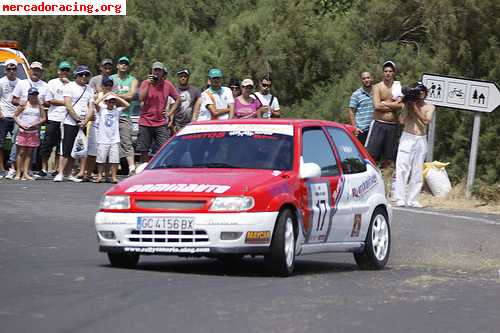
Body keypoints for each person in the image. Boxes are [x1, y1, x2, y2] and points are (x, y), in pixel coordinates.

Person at [393, 83, 435, 208]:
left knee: (417, 170)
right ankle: (400, 197)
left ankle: (413, 199)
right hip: (407, 136)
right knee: (402, 168)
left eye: (422, 91)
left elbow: (426, 121)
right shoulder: (408, 104)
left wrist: (415, 108)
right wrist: (407, 105)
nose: (420, 93)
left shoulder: (430, 106)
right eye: (418, 91)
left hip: (420, 139)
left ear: (425, 92)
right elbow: (401, 121)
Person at [365, 60, 403, 195]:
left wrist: (385, 103)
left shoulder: (397, 88)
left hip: (392, 127)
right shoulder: (377, 87)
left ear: (394, 73)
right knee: (371, 156)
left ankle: (386, 190)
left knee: (388, 159)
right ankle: (368, 186)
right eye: (386, 71)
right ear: (383, 73)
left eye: (390, 71)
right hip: (378, 125)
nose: (388, 73)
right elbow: (376, 106)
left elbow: (401, 106)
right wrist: (391, 104)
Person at [53, 65, 95, 182]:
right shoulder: (69, 86)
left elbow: (91, 107)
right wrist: (77, 120)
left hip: (83, 123)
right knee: (65, 148)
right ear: (76, 75)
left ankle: (68, 173)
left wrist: (85, 121)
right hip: (70, 122)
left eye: (86, 75)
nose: (84, 77)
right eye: (81, 74)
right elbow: (68, 105)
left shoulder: (90, 89)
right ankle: (60, 173)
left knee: (76, 149)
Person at [9, 61, 48, 179]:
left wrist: (42, 103)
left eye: (38, 70)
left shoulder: (45, 85)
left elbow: (47, 103)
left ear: (41, 72)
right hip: (22, 121)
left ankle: (27, 171)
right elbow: (14, 100)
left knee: (31, 150)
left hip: (35, 124)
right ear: (29, 70)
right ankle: (14, 169)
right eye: (34, 69)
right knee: (17, 148)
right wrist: (21, 103)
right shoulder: (22, 83)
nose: (35, 72)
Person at [137, 61, 180, 162]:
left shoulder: (167, 84)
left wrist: (170, 112)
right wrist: (148, 84)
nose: (156, 72)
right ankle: (144, 170)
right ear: (151, 71)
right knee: (144, 150)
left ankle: (159, 170)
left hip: (160, 122)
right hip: (145, 121)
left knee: (163, 149)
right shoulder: (145, 83)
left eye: (159, 70)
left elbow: (178, 99)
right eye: (155, 70)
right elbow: (141, 98)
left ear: (162, 72)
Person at [40, 61, 72, 177]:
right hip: (53, 118)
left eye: (67, 70)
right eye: (63, 70)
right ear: (58, 71)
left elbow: (75, 101)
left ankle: (57, 169)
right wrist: (66, 102)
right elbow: (50, 101)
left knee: (61, 146)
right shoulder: (52, 83)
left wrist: (66, 102)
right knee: (47, 144)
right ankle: (44, 168)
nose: (65, 72)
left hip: (67, 119)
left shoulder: (72, 84)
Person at [110, 56, 138, 174]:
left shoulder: (132, 80)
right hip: (111, 115)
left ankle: (132, 168)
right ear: (117, 65)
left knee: (127, 142)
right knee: (109, 143)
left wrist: (115, 96)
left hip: (124, 115)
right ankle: (109, 169)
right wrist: (122, 96)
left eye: (126, 64)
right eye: (121, 63)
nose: (123, 65)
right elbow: (106, 94)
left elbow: (131, 96)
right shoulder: (111, 78)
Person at [94, 92, 129, 183]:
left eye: (113, 101)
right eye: (109, 101)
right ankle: (100, 176)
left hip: (114, 139)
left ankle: (113, 177)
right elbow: (96, 103)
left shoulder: (117, 111)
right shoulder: (102, 110)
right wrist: (106, 95)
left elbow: (127, 104)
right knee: (101, 159)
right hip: (103, 138)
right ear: (106, 102)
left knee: (114, 160)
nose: (111, 103)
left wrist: (116, 97)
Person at [13, 87, 46, 180]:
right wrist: (21, 125)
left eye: (35, 95)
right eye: (32, 94)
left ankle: (25, 173)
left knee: (29, 154)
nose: (33, 96)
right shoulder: (24, 104)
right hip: (23, 131)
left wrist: (35, 124)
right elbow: (15, 116)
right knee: (21, 152)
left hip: (33, 131)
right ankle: (18, 173)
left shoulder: (40, 106)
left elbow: (44, 118)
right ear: (28, 95)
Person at [0, 59, 20, 178]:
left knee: (17, 143)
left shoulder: (21, 83)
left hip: (16, 116)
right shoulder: (1, 82)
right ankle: (2, 169)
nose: (11, 71)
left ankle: (13, 168)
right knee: (0, 144)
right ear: (5, 70)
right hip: (3, 116)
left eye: (13, 69)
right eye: (9, 69)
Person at [169, 67, 201, 133]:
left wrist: (194, 121)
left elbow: (198, 107)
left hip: (190, 125)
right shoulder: (173, 91)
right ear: (178, 77)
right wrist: (172, 126)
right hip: (176, 125)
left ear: (188, 77)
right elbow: (171, 108)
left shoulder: (195, 91)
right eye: (181, 76)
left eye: (185, 76)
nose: (183, 78)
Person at [348, 71, 374, 145]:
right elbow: (351, 111)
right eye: (364, 78)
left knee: (374, 155)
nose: (366, 80)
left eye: (368, 78)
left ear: (372, 78)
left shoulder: (377, 91)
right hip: (361, 130)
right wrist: (355, 128)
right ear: (361, 80)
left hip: (374, 129)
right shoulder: (356, 94)